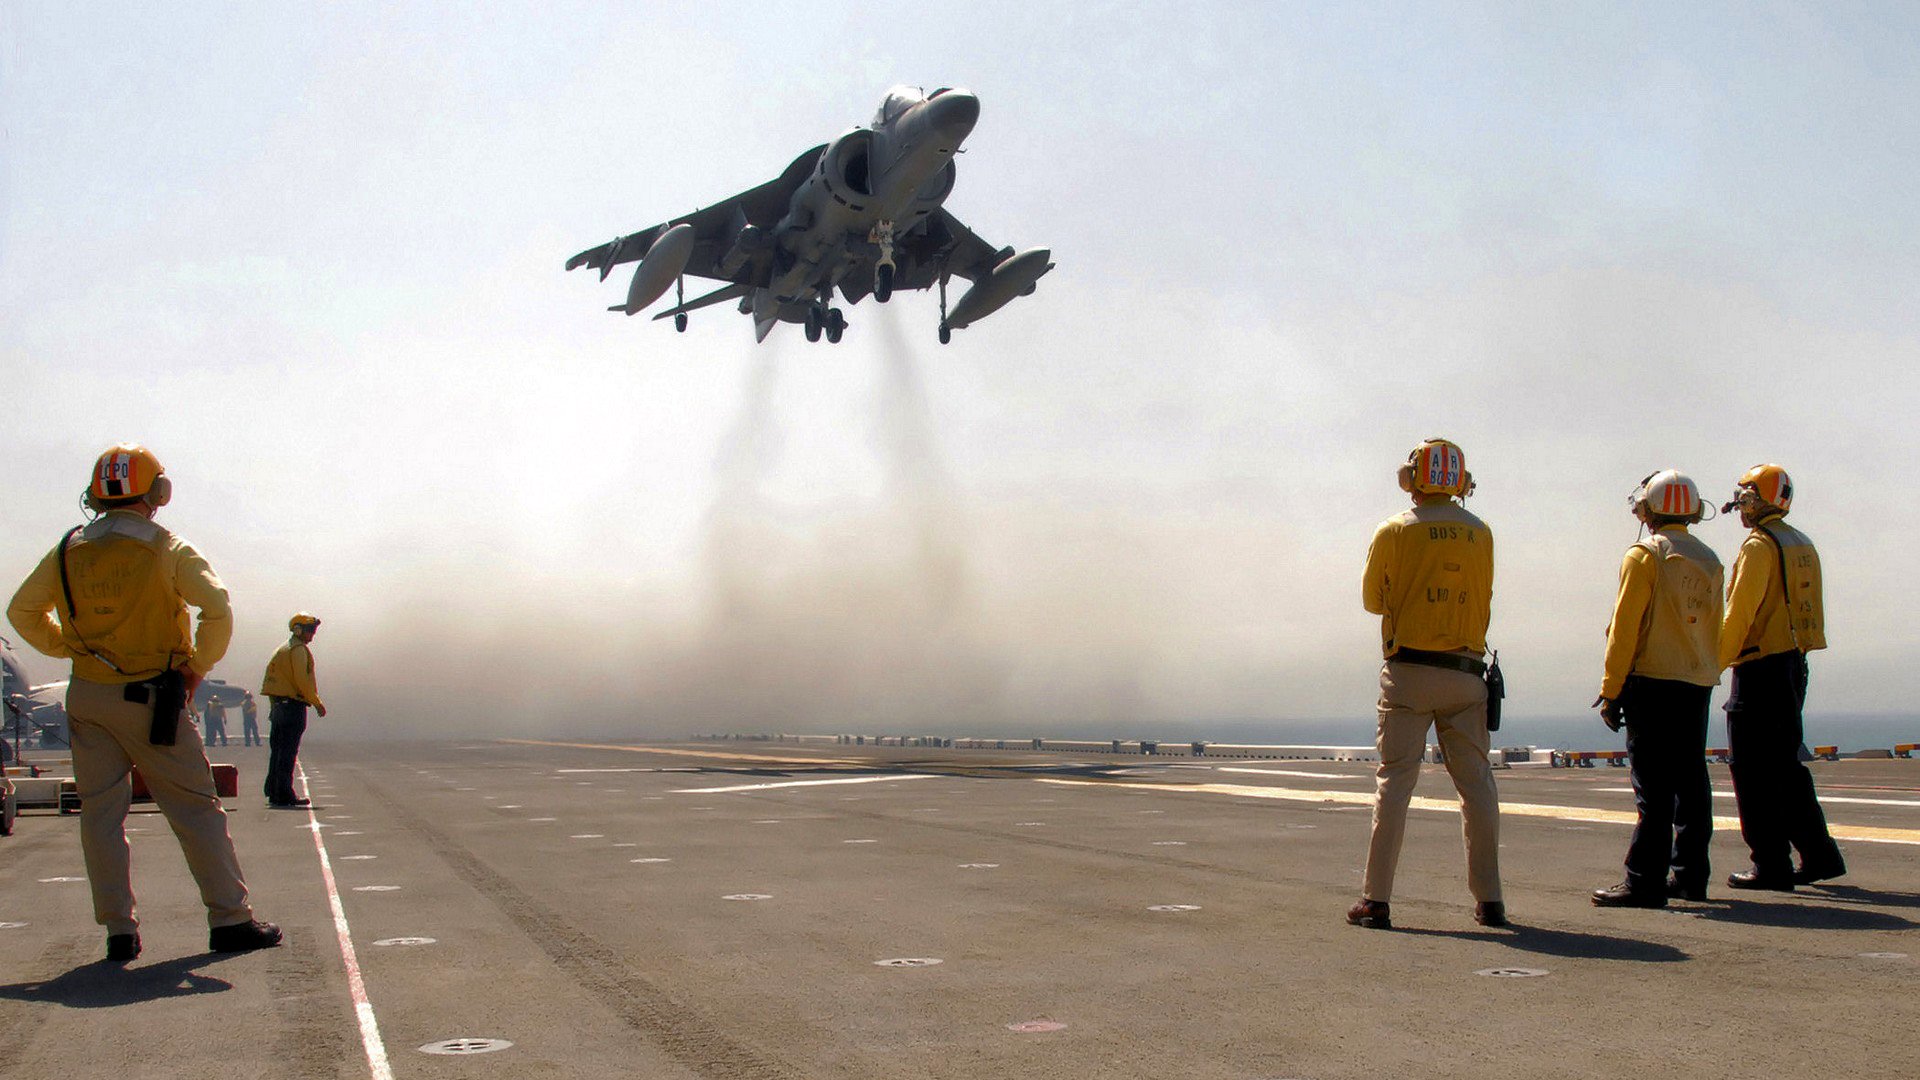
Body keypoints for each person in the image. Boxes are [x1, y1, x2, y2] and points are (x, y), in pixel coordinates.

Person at [6, 444, 281, 961]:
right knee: (195, 809)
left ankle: (119, 932)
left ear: (96, 495)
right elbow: (216, 607)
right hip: (153, 698)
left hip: (86, 696)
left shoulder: (68, 548)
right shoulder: (167, 547)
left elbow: (22, 612)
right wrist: (197, 668)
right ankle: (229, 920)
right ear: (158, 493)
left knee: (101, 815)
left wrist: (71, 648)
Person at [1350, 438, 1505, 930]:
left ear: (1415, 479)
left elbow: (1373, 600)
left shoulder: (1394, 530)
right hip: (1466, 674)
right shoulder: (1482, 533)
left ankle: (1376, 900)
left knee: (1395, 783)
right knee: (1477, 786)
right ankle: (1490, 900)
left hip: (1409, 674)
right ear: (1460, 482)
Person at [1589, 471, 1724, 907]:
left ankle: (1644, 880)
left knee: (1653, 789)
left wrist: (1611, 689)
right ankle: (1691, 876)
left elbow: (1624, 629)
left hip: (1651, 682)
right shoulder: (1710, 559)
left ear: (1649, 509)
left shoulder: (1645, 555)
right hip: (1697, 680)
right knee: (1692, 781)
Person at [1718, 464, 1845, 890]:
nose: (1739, 507)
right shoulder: (1800, 542)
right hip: (1793, 664)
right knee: (1787, 768)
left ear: (1757, 499)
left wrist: (1710, 665)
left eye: (1744, 498)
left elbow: (1739, 614)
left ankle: (1771, 863)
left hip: (1758, 668)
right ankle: (1819, 855)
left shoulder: (1759, 546)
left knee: (1751, 771)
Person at [261, 612, 325, 808]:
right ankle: (284, 794)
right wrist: (316, 702)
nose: (312, 634)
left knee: (278, 750)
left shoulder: (281, 650)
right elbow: (301, 680)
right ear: (298, 630)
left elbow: (273, 683)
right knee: (288, 752)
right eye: (309, 630)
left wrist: (274, 708)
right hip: (292, 707)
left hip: (279, 706)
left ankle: (273, 790)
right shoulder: (298, 651)